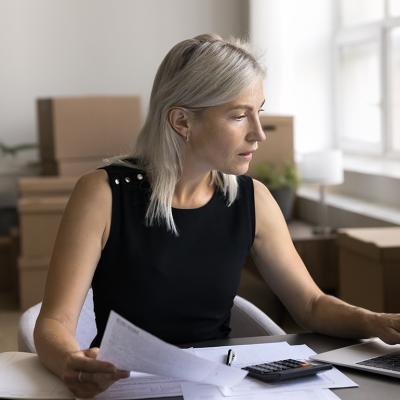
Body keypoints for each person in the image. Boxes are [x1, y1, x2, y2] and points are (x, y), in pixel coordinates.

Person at [34, 33, 400, 398]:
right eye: (239, 116)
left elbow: (311, 305)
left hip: (218, 389)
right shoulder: (102, 194)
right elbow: (55, 322)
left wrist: (377, 322)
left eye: (260, 113)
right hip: (127, 386)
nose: (258, 134)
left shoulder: (252, 198)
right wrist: (73, 362)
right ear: (182, 122)